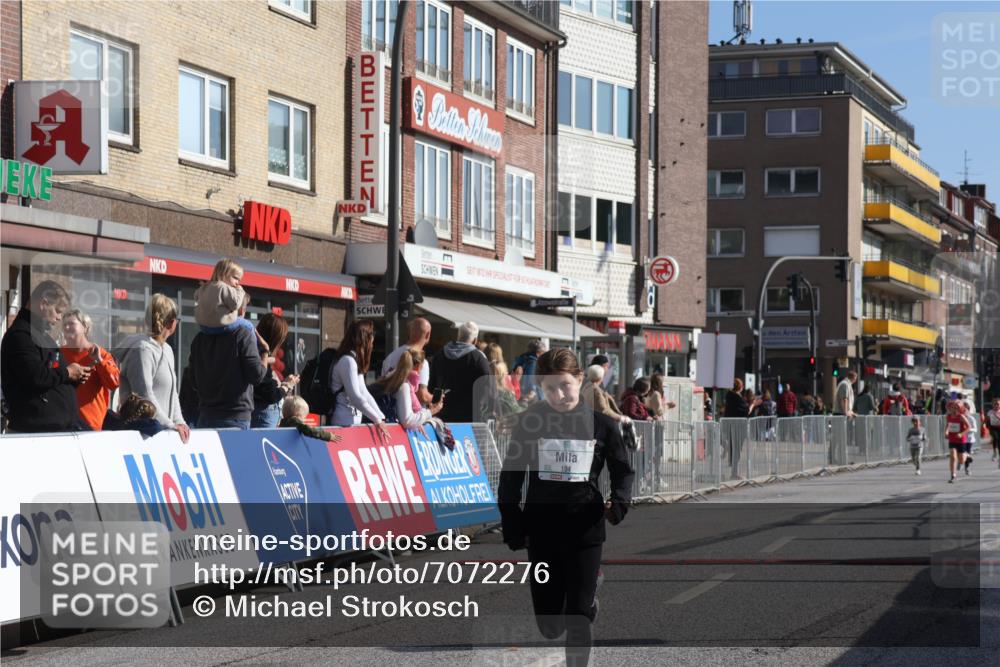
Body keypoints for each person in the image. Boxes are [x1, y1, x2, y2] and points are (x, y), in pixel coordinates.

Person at [497, 348, 634, 667]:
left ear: (581, 380)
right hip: (541, 530)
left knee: (577, 618)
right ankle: (583, 604)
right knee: (549, 626)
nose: (559, 395)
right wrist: (514, 527)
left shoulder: (602, 426)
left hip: (585, 529)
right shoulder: (530, 423)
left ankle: (585, 605)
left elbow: (623, 470)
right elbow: (511, 478)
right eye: (550, 388)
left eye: (565, 386)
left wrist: (619, 502)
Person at [1, 281, 89, 432]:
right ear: (43, 303)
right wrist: (68, 372)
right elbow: (35, 377)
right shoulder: (20, 336)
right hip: (36, 433)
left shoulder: (43, 338)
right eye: (57, 311)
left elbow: (51, 378)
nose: (59, 318)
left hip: (56, 428)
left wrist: (74, 377)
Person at [188, 290, 268, 430]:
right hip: (235, 417)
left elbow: (193, 381)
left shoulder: (200, 338)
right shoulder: (243, 334)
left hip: (206, 415)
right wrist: (265, 352)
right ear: (241, 309)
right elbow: (257, 375)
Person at [116, 294, 190, 442]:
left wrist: (179, 421)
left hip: (160, 433)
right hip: (141, 435)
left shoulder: (167, 349)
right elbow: (144, 394)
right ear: (171, 323)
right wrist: (170, 424)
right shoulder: (142, 350)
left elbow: (173, 393)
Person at [60, 309, 120, 431]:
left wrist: (99, 361)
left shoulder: (100, 353)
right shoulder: (58, 353)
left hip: (92, 425)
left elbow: (114, 383)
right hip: (63, 424)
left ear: (85, 328)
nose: (67, 327)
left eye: (71, 324)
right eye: (64, 324)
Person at [329, 320, 390, 437]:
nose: (373, 340)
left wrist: (381, 417)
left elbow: (364, 393)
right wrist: (377, 420)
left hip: (351, 422)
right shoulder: (348, 361)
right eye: (372, 335)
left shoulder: (354, 360)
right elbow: (355, 397)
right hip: (343, 423)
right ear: (364, 338)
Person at [194, 259, 269, 351]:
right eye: (235, 278)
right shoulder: (223, 287)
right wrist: (240, 290)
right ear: (223, 274)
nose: (238, 282)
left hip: (204, 327)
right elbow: (235, 304)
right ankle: (257, 348)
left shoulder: (204, 287)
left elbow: (196, 296)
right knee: (248, 325)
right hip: (221, 326)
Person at [428, 321, 493, 423]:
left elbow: (431, 387)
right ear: (475, 340)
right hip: (468, 418)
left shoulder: (439, 355)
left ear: (458, 335)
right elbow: (488, 388)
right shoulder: (478, 358)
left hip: (442, 415)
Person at [251, 314, 299, 428]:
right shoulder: (261, 355)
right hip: (262, 415)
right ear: (276, 338)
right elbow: (269, 394)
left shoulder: (251, 351)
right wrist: (287, 386)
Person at [374, 351, 443, 430]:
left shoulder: (391, 379)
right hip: (391, 433)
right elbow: (408, 420)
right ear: (418, 367)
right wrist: (431, 411)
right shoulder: (404, 386)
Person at [382, 317, 433, 406]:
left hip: (391, 412)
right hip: (412, 415)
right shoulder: (421, 362)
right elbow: (422, 396)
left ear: (410, 332)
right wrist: (437, 398)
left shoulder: (390, 357)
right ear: (428, 335)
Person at [947, 400, 972, 483]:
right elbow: (948, 425)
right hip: (952, 439)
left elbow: (969, 427)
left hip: (961, 440)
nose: (954, 409)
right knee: (953, 456)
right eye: (953, 407)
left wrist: (961, 434)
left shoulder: (961, 416)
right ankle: (953, 475)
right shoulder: (948, 416)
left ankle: (967, 456)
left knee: (961, 460)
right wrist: (946, 432)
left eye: (956, 407)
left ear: (959, 408)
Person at [987, 398, 1000, 464]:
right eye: (995, 404)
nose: (996, 406)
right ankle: (995, 452)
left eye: (997, 404)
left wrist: (997, 416)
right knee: (995, 438)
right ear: (993, 405)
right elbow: (987, 420)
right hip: (992, 427)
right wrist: (983, 424)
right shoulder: (990, 412)